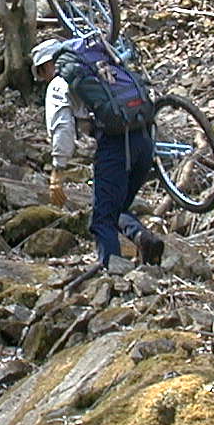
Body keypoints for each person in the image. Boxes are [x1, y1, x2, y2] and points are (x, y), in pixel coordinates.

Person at [32, 37, 155, 267]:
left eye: (41, 71)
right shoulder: (97, 64)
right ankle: (143, 239)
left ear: (47, 65)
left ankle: (113, 275)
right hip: (144, 135)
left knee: (101, 220)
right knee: (115, 206)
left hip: (116, 144)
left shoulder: (59, 84)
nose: (43, 77)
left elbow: (62, 129)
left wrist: (57, 171)